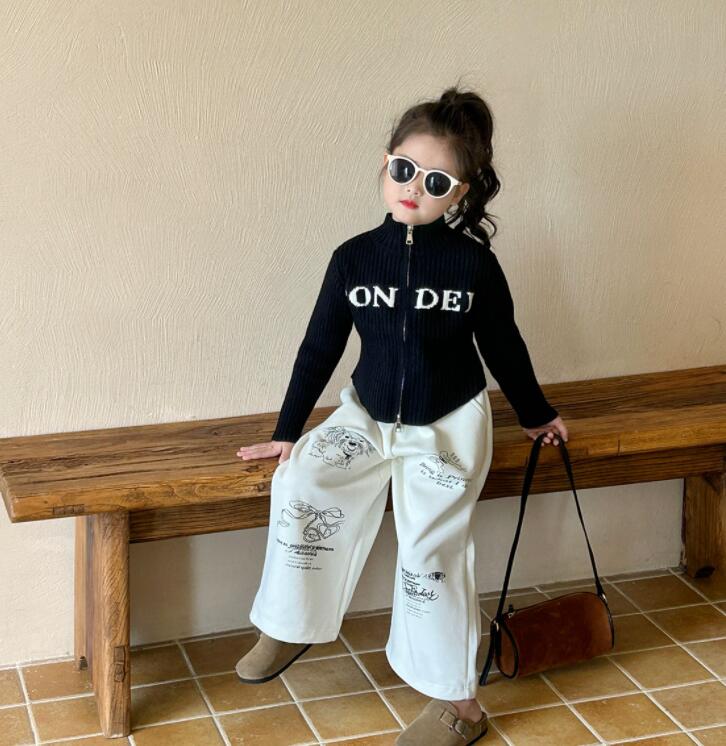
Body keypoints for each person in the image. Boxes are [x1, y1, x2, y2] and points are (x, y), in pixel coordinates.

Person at [235, 85, 568, 746]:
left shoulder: (473, 266)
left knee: (429, 549)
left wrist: (536, 413)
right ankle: (291, 624)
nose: (415, 187)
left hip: (447, 422)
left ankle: (459, 706)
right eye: (405, 169)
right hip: (365, 417)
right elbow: (319, 348)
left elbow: (504, 345)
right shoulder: (353, 257)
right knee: (301, 481)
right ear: (385, 164)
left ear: (460, 192)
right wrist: (286, 431)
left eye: (436, 180)